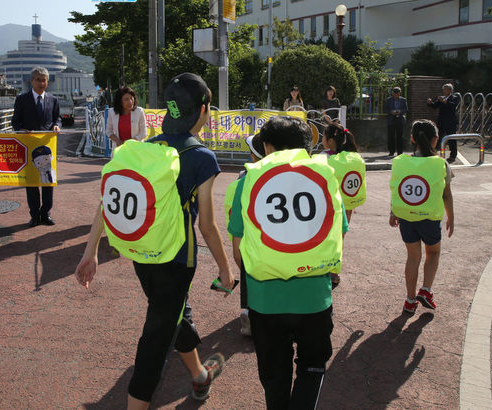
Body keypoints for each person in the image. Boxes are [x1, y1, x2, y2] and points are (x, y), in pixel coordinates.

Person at [74, 73, 235, 409]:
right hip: (177, 259)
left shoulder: (146, 148)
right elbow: (207, 226)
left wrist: (90, 252)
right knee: (155, 341)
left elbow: (108, 202)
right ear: (204, 109)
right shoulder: (202, 157)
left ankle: (201, 376)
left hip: (142, 254)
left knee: (175, 314)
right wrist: (225, 269)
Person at [228, 116, 348, 409]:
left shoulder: (248, 181)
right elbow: (339, 232)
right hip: (314, 298)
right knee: (312, 365)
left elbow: (238, 251)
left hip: (265, 299)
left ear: (267, 146)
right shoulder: (324, 175)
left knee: (274, 375)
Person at [389, 119, 454, 315]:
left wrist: (393, 212)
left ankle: (410, 300)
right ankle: (426, 290)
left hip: (406, 217)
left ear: (412, 138)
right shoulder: (440, 163)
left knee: (413, 257)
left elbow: (397, 188)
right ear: (436, 140)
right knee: (433, 253)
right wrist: (451, 217)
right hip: (429, 217)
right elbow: (446, 194)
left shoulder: (401, 161)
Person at [224, 133, 266, 337]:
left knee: (250, 272)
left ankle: (249, 312)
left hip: (248, 244)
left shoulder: (243, 180)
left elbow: (233, 222)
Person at [11, 66, 61, 227]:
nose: (41, 83)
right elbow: (15, 121)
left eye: (44, 80)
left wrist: (56, 126)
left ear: (47, 81)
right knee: (31, 182)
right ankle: (34, 215)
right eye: (38, 79)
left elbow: (57, 118)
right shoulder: (22, 99)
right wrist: (20, 130)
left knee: (48, 181)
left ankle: (46, 213)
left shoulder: (53, 100)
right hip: (28, 147)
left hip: (47, 146)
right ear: (31, 81)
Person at [319, 123, 366, 289]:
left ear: (331, 140)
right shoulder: (353, 157)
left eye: (324, 136)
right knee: (340, 237)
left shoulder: (326, 158)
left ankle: (329, 269)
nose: (322, 139)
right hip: (348, 204)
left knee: (328, 237)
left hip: (329, 205)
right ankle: (334, 271)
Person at [427, 83, 459, 163]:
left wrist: (444, 101)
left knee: (451, 139)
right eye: (443, 89)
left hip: (450, 122)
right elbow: (435, 106)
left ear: (450, 90)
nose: (444, 91)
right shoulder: (442, 98)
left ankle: (453, 155)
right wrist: (430, 103)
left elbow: (452, 106)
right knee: (438, 137)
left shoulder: (454, 98)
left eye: (446, 89)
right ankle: (434, 153)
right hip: (441, 122)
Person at [383, 87, 408, 156]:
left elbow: (406, 109)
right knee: (391, 136)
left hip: (400, 119)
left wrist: (400, 111)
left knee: (400, 136)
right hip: (391, 119)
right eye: (395, 93)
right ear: (392, 93)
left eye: (397, 93)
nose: (396, 95)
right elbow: (385, 109)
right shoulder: (388, 100)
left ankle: (400, 152)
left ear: (400, 93)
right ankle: (391, 151)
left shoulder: (403, 100)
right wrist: (391, 112)